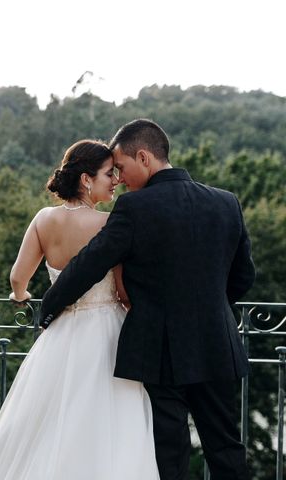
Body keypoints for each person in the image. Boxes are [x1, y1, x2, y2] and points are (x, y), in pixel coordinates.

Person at [40, 119, 255, 480]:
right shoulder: (226, 203)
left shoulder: (134, 209)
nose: (119, 179)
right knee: (226, 448)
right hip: (217, 344)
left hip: (160, 350)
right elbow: (243, 277)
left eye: (121, 168)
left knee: (168, 455)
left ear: (144, 157)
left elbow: (90, 264)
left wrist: (49, 308)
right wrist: (210, 309)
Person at [0, 140, 159, 479]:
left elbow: (17, 278)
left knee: (47, 425)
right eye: (108, 174)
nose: (115, 180)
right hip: (107, 333)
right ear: (86, 179)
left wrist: (22, 296)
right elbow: (123, 288)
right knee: (108, 425)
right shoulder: (108, 223)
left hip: (60, 334)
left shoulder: (44, 219)